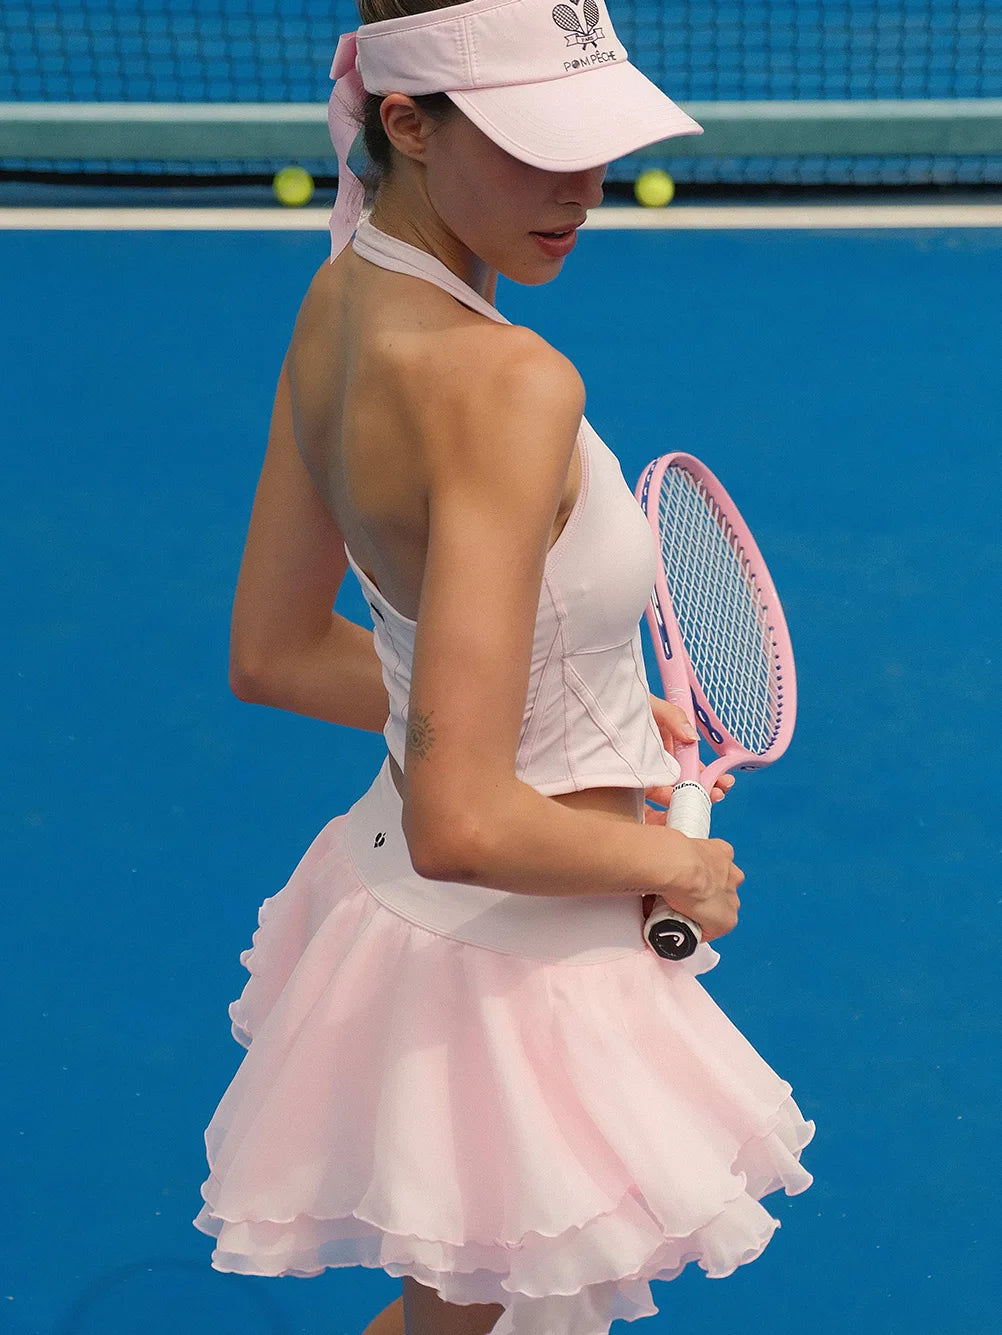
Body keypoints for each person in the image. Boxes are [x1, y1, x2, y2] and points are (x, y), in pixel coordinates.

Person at [193, 2, 815, 1333]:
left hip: (415, 925)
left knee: (461, 1324)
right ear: (408, 124)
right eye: (539, 150)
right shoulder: (508, 384)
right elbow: (464, 823)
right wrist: (671, 863)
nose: (580, 190)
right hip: (513, 971)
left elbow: (279, 654)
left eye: (596, 146)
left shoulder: (343, 290)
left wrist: (581, 719)